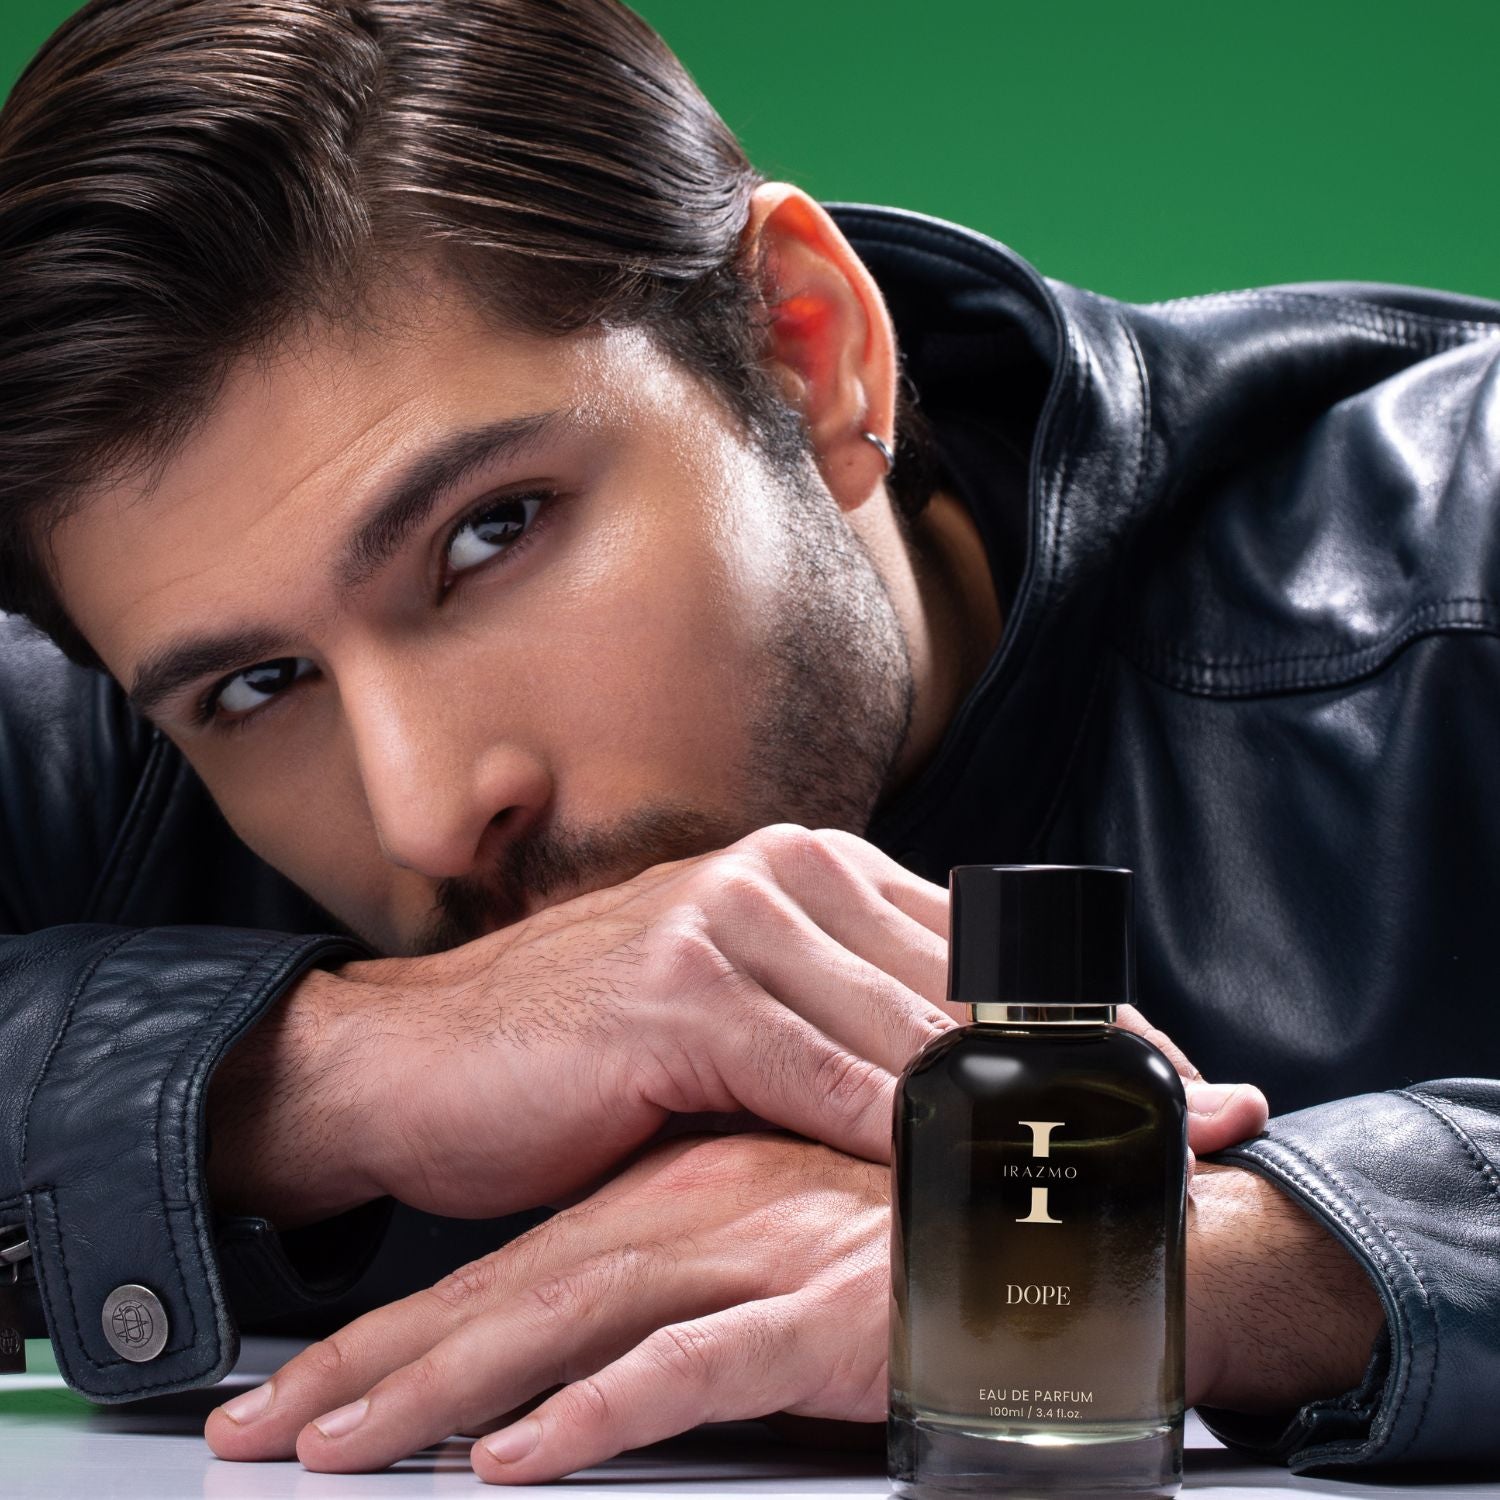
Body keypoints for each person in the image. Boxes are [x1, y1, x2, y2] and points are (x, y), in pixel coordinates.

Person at [0, 0, 1495, 1485]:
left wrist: (1196, 1259)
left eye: (491, 533)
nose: (428, 815)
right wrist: (308, 1073)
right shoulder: (99, 740)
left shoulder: (1458, 547)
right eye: (257, 688)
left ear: (807, 349)